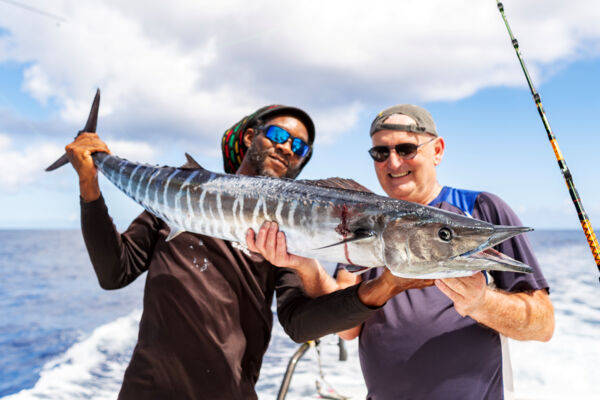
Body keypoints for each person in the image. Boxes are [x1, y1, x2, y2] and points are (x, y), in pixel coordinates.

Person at [65, 104, 405, 399]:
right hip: (145, 391)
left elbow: (300, 326)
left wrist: (366, 284)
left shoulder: (288, 236)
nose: (287, 147)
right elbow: (114, 273)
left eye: (299, 146)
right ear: (249, 137)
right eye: (278, 134)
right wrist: (89, 184)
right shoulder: (179, 195)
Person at [334, 104, 555, 400]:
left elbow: (543, 324)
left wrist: (481, 302)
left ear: (437, 150)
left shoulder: (482, 210)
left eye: (406, 149)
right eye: (381, 153)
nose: (394, 162)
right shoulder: (359, 221)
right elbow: (346, 332)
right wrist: (302, 266)